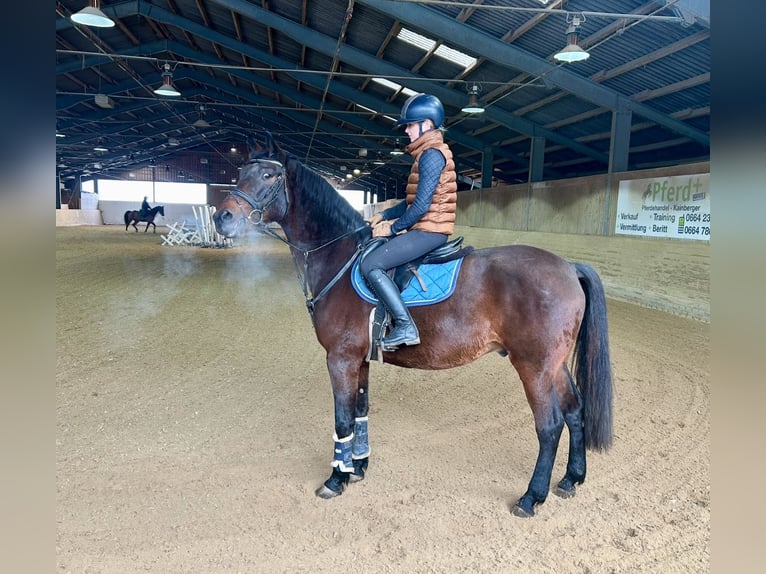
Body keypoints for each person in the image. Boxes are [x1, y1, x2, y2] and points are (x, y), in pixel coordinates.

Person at [361, 93, 457, 351]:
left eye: (410, 125)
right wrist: (384, 215)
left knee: (372, 264)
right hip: (426, 227)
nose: (406, 130)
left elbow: (422, 207)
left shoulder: (431, 156)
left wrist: (392, 228)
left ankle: (405, 325)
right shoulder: (425, 154)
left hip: (430, 230)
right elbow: (412, 202)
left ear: (427, 124)